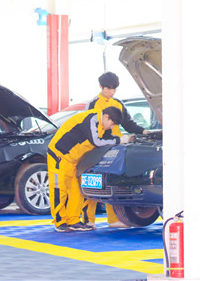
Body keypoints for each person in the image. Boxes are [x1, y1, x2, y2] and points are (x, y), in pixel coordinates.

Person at [81, 71, 151, 229]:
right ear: (101, 86)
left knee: (112, 181)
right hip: (96, 147)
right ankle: (88, 219)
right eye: (108, 88)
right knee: (93, 181)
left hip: (116, 147)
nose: (111, 92)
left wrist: (143, 131)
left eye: (114, 89)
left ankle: (113, 219)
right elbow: (88, 126)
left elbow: (129, 124)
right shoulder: (92, 104)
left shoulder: (118, 103)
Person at [47, 106, 134, 233]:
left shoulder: (104, 126)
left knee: (76, 191)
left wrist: (120, 141)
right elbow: (96, 142)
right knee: (59, 189)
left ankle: (73, 221)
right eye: (112, 123)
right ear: (106, 117)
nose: (111, 127)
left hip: (73, 159)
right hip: (59, 155)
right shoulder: (90, 119)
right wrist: (119, 140)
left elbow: (107, 142)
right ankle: (59, 222)